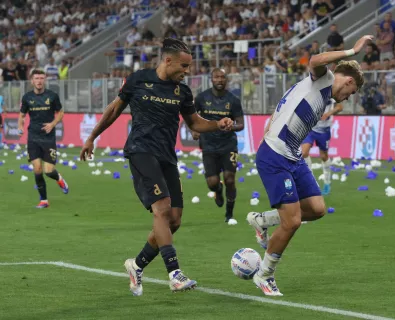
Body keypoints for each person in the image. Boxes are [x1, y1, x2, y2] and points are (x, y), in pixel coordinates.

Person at [79, 38, 233, 296]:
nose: (187, 71)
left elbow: (194, 123)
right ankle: (174, 273)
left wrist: (217, 124)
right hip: (141, 151)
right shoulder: (138, 79)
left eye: (189, 67)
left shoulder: (182, 92)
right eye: (183, 66)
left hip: (167, 157)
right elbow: (115, 110)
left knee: (174, 221)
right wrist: (92, 136)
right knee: (161, 209)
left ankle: (136, 265)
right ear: (168, 60)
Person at [246, 35, 372, 296]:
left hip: (293, 156)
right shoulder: (322, 79)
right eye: (352, 92)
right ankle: (265, 274)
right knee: (291, 223)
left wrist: (272, 120)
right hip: (275, 156)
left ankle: (261, 220)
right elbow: (314, 60)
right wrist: (353, 50)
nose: (347, 99)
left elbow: (287, 104)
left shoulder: (323, 95)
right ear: (349, 81)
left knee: (316, 209)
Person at [191, 68, 244, 225]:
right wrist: (194, 129)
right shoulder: (201, 98)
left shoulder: (233, 100)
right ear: (211, 79)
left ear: (226, 80)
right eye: (216, 77)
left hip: (228, 145)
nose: (220, 80)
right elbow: (191, 117)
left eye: (222, 77)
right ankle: (217, 191)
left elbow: (241, 124)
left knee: (229, 179)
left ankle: (229, 214)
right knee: (212, 182)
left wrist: (231, 127)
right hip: (208, 145)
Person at [18, 70, 69, 209]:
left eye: (41, 78)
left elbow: (61, 113)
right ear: (32, 81)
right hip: (33, 137)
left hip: (48, 138)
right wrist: (20, 127)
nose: (39, 81)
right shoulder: (27, 97)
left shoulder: (52, 96)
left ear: (44, 80)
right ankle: (44, 200)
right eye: (36, 78)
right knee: (38, 169)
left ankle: (59, 179)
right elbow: (22, 115)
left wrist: (52, 124)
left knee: (48, 171)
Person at [300, 101, 344, 195]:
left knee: (324, 156)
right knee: (304, 152)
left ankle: (327, 183)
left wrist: (328, 113)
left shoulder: (331, 93)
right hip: (310, 128)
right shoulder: (314, 93)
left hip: (324, 131)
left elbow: (340, 107)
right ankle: (311, 182)